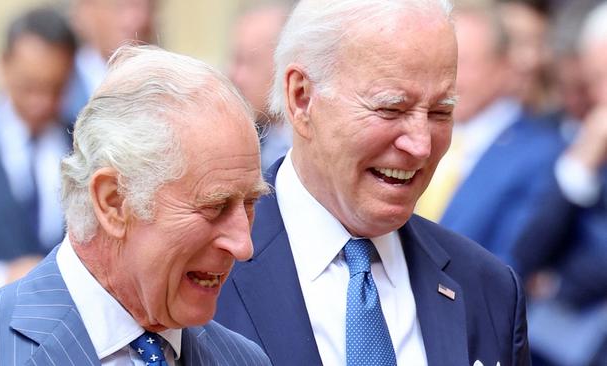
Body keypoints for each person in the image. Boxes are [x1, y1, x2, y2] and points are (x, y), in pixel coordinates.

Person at [215, 0, 530, 365]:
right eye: (391, 109)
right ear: (302, 98)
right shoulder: (204, 272)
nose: (421, 145)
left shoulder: (489, 291)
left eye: (440, 112)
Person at [0, 45, 271, 365]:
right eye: (215, 207)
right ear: (114, 202)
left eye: (249, 203)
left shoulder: (243, 359)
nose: (243, 245)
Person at [415, 0, 562, 263]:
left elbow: (514, 258)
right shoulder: (410, 133)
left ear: (504, 66)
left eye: (462, 63)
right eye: (438, 63)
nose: (448, 79)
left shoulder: (540, 152)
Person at [0, 7, 75, 308]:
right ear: (3, 66)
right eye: (29, 87)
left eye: (55, 88)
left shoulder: (83, 146)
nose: (42, 102)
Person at [513, 2, 607, 365]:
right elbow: (524, 249)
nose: (594, 97)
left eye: (599, 80)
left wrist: (558, 285)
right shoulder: (552, 134)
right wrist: (581, 162)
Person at [62, 0, 156, 124]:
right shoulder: (59, 94)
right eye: (121, 6)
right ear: (86, 11)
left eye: (149, 7)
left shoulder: (166, 91)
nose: (139, 20)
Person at [228, 2, 292, 170]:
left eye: (248, 62)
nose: (236, 76)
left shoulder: (315, 151)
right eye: (235, 60)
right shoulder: (238, 142)